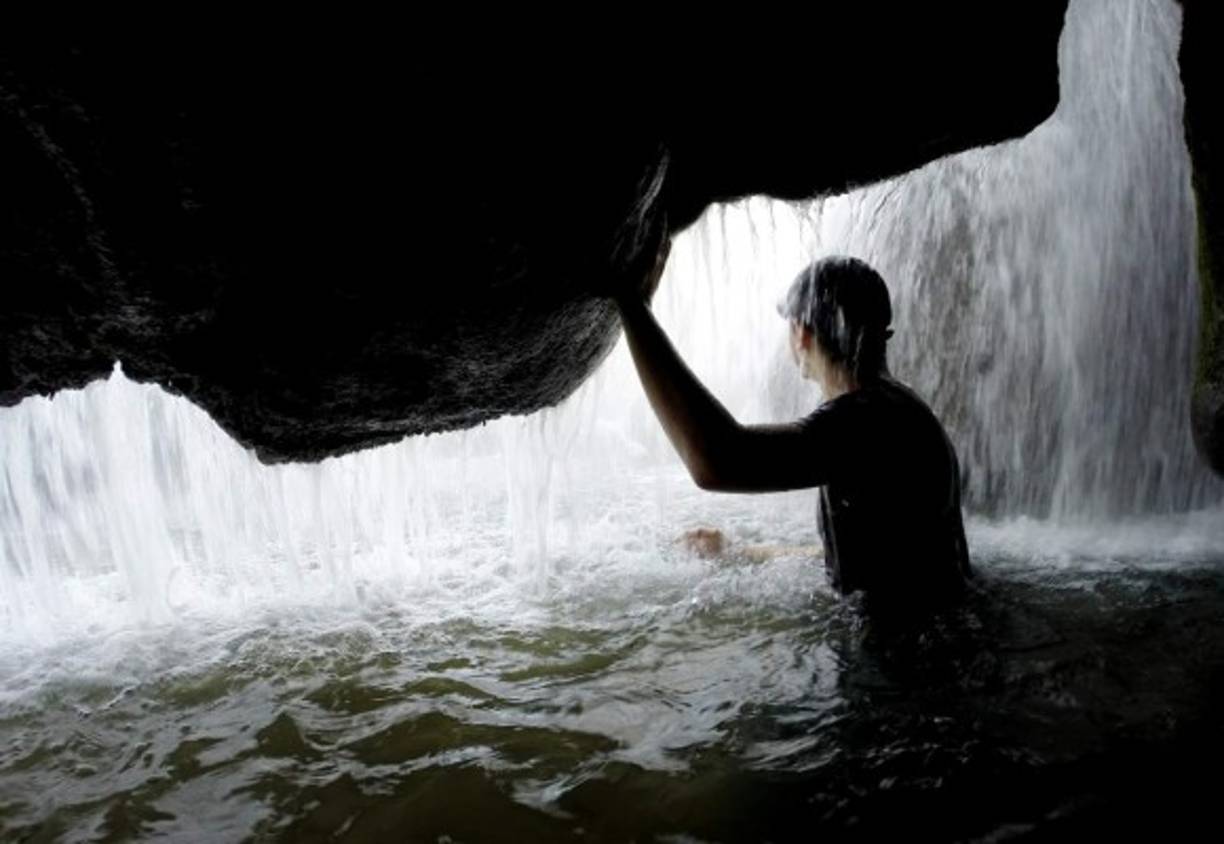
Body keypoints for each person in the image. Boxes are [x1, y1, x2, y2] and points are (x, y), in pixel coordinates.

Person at [610, 234, 972, 616]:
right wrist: (740, 552)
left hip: (908, 665)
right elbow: (877, 553)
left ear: (801, 333)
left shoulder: (864, 420)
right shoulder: (896, 409)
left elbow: (718, 461)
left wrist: (634, 307)